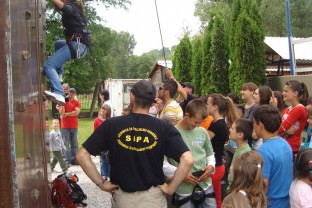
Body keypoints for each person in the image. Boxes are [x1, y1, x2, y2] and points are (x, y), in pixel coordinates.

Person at [76, 80, 194, 208]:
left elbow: (81, 155)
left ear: (132, 96)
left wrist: (101, 183)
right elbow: (187, 160)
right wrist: (171, 189)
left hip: (124, 199)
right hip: (153, 199)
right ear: (153, 100)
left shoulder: (112, 125)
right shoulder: (164, 127)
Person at [167, 99, 217, 208]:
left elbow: (210, 153)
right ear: (187, 115)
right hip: (183, 189)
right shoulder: (172, 134)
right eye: (196, 122)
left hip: (205, 185)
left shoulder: (202, 132)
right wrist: (181, 174)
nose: (198, 125)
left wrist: (211, 166)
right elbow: (164, 162)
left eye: (201, 123)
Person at [43, 0, 91, 106]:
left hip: (78, 46)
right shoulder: (76, 10)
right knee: (58, 44)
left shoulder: (71, 7)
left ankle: (59, 93)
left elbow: (63, 7)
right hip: (80, 45)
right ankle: (59, 74)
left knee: (48, 66)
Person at [253, 105, 293, 208]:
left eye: (254, 123)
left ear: (260, 125)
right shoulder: (285, 144)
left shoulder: (263, 150)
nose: (253, 126)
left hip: (271, 203)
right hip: (286, 201)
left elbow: (263, 184)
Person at [207, 93, 238, 208]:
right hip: (218, 165)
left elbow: (203, 142)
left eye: (208, 103)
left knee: (215, 201)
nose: (206, 106)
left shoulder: (217, 125)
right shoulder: (218, 123)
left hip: (215, 167)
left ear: (215, 107)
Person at [278, 80, 309, 156]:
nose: (283, 93)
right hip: (282, 145)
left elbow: (281, 127)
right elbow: (278, 126)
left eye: (286, 91)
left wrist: (280, 131)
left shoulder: (300, 109)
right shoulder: (286, 110)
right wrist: (284, 131)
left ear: (295, 93)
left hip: (291, 147)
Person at [227, 118, 252, 190]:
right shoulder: (239, 149)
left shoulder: (245, 154)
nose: (229, 130)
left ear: (240, 135)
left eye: (232, 128)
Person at [59, 88, 81, 166]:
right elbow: (62, 113)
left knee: (74, 143)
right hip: (65, 126)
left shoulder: (77, 102)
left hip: (74, 126)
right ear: (68, 93)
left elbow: (76, 112)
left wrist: (67, 114)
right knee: (65, 144)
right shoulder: (63, 102)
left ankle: (74, 159)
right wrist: (64, 103)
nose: (71, 94)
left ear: (75, 94)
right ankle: (67, 160)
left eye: (73, 93)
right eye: (70, 93)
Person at [94, 104, 111, 181]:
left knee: (109, 160)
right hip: (101, 143)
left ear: (108, 111)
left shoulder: (110, 120)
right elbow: (95, 132)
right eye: (102, 109)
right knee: (102, 160)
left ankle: (109, 175)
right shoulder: (97, 120)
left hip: (108, 143)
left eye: (104, 109)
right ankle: (103, 175)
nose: (102, 111)